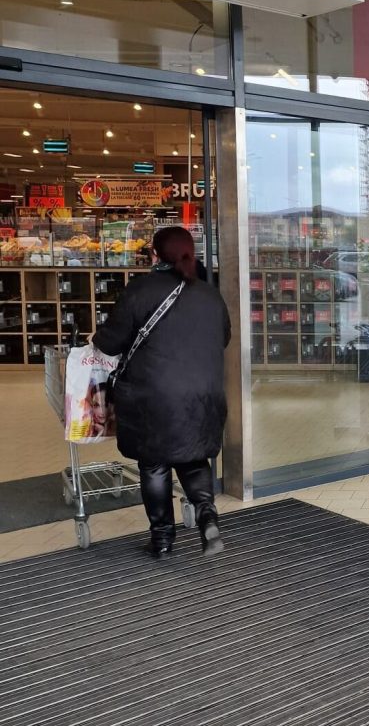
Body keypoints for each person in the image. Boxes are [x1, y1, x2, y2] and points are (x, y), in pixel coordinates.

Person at [92, 226, 231, 559]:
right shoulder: (210, 294)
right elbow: (223, 337)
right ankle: (207, 517)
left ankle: (163, 540)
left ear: (155, 254)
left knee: (154, 464)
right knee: (194, 458)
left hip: (153, 395)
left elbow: (109, 342)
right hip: (204, 394)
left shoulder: (140, 290)